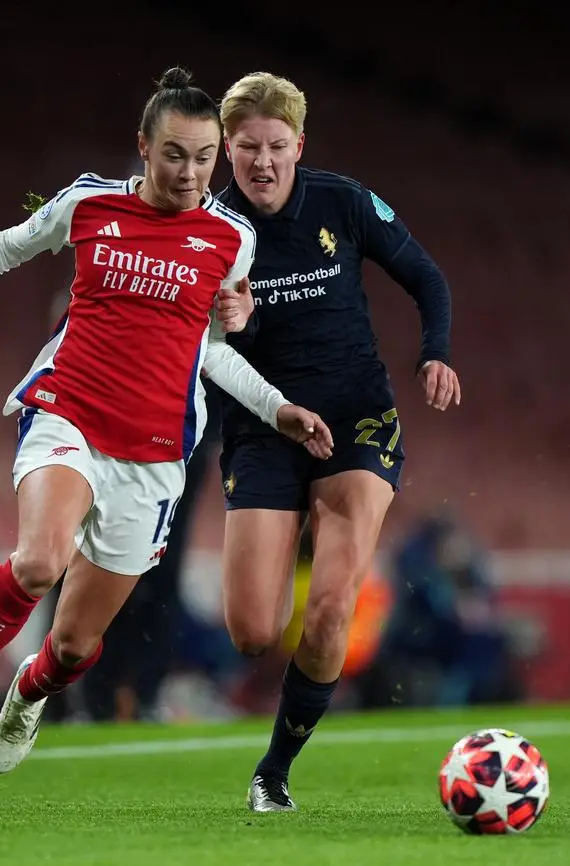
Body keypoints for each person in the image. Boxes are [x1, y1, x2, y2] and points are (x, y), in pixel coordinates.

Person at [0, 67, 334, 770]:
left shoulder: (230, 237)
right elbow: (6, 247)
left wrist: (277, 407)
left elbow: (210, 352)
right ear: (144, 147)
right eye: (175, 154)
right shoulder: (87, 205)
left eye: (205, 158)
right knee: (37, 563)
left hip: (152, 455)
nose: (190, 172)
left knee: (75, 647)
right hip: (69, 413)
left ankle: (30, 695)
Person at [214, 72, 461, 811]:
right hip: (263, 426)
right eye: (248, 147)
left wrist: (436, 350)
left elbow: (425, 275)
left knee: (329, 611)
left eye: (277, 147)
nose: (263, 161)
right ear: (227, 148)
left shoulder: (343, 203)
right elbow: (211, 346)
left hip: (358, 422)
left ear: (300, 146)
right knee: (254, 631)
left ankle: (275, 772)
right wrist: (241, 321)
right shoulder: (211, 230)